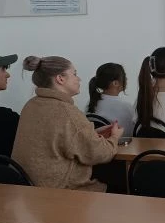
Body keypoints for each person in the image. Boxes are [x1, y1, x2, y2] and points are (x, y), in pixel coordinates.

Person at [12, 56, 121, 191]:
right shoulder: (67, 113)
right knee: (120, 181)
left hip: (29, 192)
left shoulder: (31, 105)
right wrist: (114, 137)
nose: (79, 79)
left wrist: (92, 134)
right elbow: (100, 154)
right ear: (60, 79)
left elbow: (58, 139)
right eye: (74, 74)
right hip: (62, 194)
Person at [87, 62, 135, 136]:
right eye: (124, 76)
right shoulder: (126, 107)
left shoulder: (91, 103)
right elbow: (131, 134)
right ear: (115, 83)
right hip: (118, 146)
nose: (126, 79)